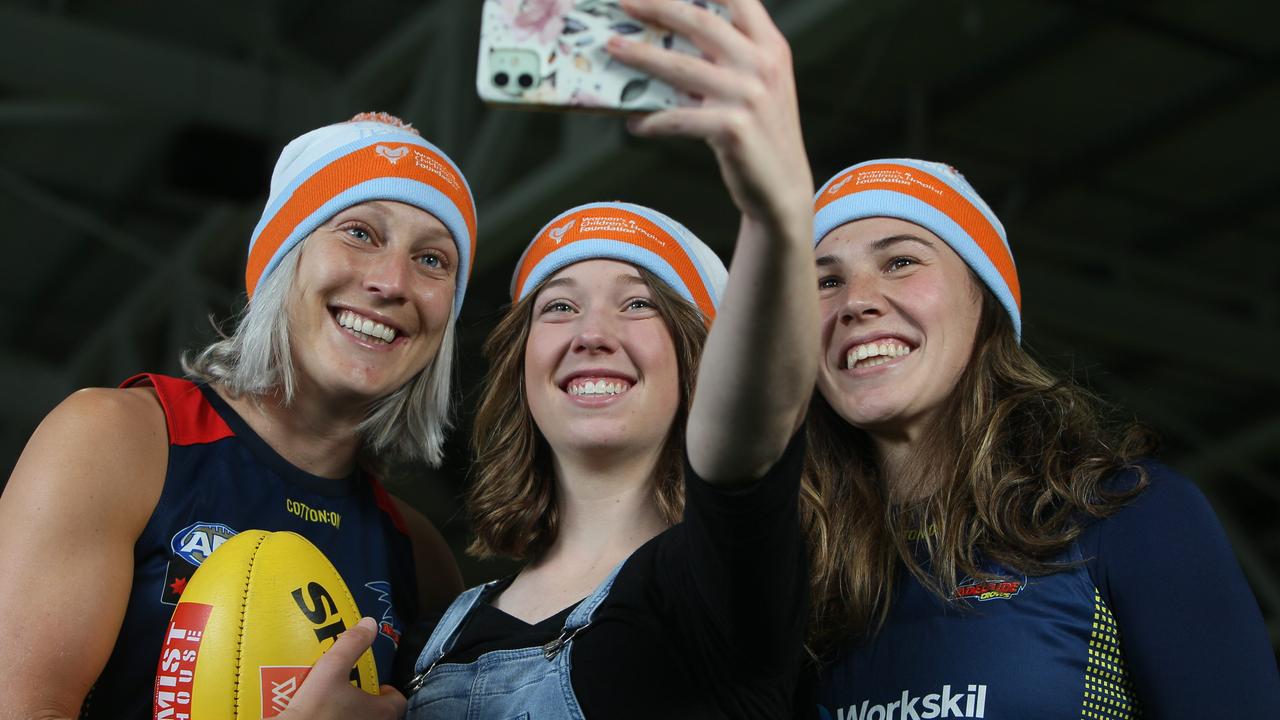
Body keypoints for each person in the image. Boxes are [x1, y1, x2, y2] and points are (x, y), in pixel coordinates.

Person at [366, 0, 816, 715]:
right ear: (521, 369)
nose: (591, 333)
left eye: (638, 304)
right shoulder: (431, 634)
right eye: (559, 307)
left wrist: (777, 213)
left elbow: (750, 445)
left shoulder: (721, 586)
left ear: (701, 366)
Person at [0, 112, 476, 720]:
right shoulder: (116, 440)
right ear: (283, 258)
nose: (392, 281)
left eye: (433, 260)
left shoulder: (421, 558)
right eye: (359, 232)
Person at [803, 157, 1280, 718]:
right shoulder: (798, 581)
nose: (856, 300)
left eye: (901, 261)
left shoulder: (1125, 517)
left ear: (987, 302)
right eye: (826, 281)